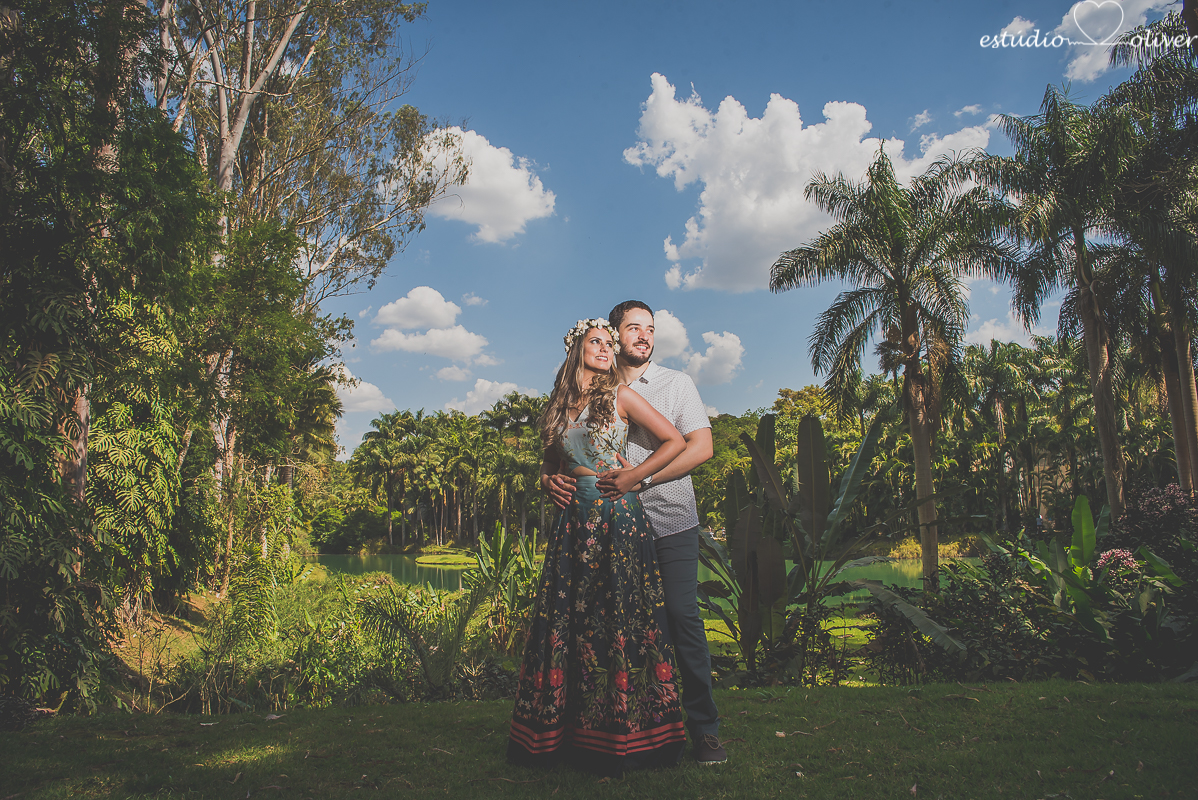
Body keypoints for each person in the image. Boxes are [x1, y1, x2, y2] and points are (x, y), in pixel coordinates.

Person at [546, 301, 726, 766]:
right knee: (616, 629)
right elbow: (565, 452)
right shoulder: (592, 388)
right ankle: (621, 730)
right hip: (608, 530)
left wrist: (641, 478)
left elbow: (700, 446)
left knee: (682, 620)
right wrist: (550, 479)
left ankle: (705, 730)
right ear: (613, 334)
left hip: (667, 520)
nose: (643, 336)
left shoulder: (674, 384)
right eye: (633, 328)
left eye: (650, 329)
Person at [507, 318, 689, 776]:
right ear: (576, 350)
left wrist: (634, 476)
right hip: (573, 526)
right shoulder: (557, 408)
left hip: (617, 520)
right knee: (572, 623)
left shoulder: (621, 397)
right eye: (598, 342)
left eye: (611, 343)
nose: (607, 349)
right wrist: (547, 481)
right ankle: (566, 736)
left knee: (619, 617)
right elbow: (549, 464)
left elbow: (676, 441)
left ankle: (630, 737)